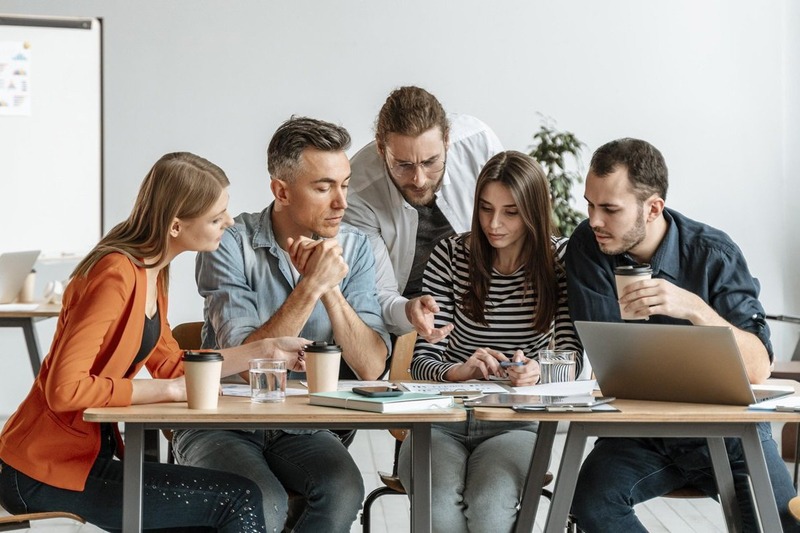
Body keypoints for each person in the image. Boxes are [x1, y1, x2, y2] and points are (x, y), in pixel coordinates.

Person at [0, 152, 310, 532]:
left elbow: (173, 365)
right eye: (216, 217)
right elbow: (65, 389)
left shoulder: (150, 272)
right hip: (41, 471)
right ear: (176, 225)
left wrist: (263, 349)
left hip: (85, 461)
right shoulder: (116, 274)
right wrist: (171, 389)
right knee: (239, 499)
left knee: (235, 498)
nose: (229, 222)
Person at [566, 138, 798, 532]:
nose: (594, 220)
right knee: (591, 502)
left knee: (781, 524)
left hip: (730, 434)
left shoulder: (714, 254)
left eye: (609, 209)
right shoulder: (588, 248)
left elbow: (758, 367)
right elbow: (603, 357)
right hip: (641, 435)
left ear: (653, 207)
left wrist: (693, 308)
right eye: (590, 204)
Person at [172, 116, 390, 533]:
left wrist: (330, 288)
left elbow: (371, 366)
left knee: (342, 490)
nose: (342, 202)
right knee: (262, 500)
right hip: (222, 418)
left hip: (301, 424)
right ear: (282, 190)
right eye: (324, 187)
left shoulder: (357, 248)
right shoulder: (229, 242)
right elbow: (240, 359)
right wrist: (309, 286)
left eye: (344, 184)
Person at [396, 150, 582, 532]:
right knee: (438, 513)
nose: (494, 224)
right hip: (441, 419)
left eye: (510, 212)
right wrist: (458, 371)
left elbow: (572, 358)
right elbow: (422, 361)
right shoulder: (450, 256)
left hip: (517, 424)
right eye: (485, 209)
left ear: (533, 211)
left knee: (489, 510)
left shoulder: (559, 259)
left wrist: (538, 370)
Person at [345, 86, 503, 343]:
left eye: (430, 162)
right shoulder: (357, 189)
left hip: (485, 302)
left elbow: (515, 231)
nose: (419, 180)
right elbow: (377, 292)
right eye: (403, 165)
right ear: (380, 147)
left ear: (447, 139)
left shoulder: (479, 144)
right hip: (402, 318)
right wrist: (408, 310)